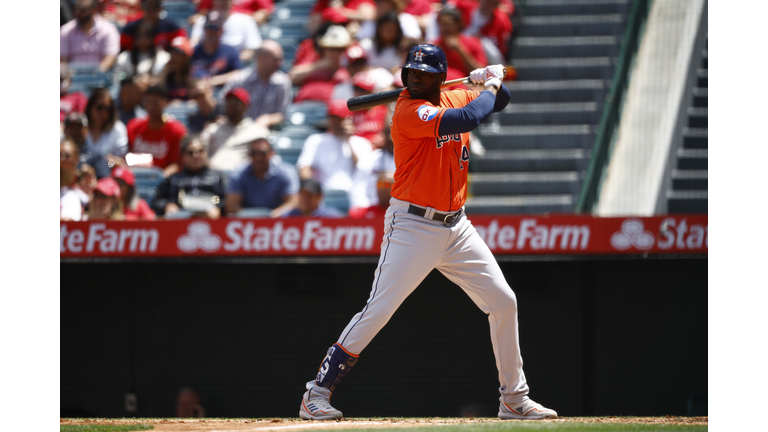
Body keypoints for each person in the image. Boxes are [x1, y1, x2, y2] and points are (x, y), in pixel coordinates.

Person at [297, 44, 558, 421]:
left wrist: (485, 79)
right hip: (413, 226)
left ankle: (514, 398)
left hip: (457, 226)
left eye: (423, 73)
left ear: (439, 76)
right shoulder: (407, 110)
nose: (415, 78)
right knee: (379, 310)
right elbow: (468, 118)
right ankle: (316, 393)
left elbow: (500, 101)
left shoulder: (455, 92)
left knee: (503, 302)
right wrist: (489, 86)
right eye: (411, 73)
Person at [296, 100, 372, 196]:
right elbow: (304, 169)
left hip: (355, 195)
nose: (335, 122)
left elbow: (364, 171)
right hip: (324, 195)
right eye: (332, 118)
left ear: (349, 119)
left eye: (340, 118)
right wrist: (313, 191)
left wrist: (348, 140)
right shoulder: (315, 141)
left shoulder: (361, 143)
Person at [218, 40, 292, 128]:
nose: (280, 63)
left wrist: (269, 119)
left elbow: (283, 114)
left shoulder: (282, 82)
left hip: (267, 133)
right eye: (275, 59)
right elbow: (222, 104)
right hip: (237, 130)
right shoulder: (240, 79)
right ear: (261, 58)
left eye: (281, 59)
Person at [153, 136, 228, 219]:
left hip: (212, 220)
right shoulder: (173, 179)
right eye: (190, 153)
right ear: (183, 156)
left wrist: (219, 208)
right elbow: (157, 201)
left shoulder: (219, 177)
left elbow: (229, 199)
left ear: (206, 153)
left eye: (200, 151)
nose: (196, 155)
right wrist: (166, 206)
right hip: (181, 221)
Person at [225, 138, 299, 217]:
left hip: (278, 222)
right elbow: (232, 205)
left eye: (263, 153)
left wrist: (273, 215)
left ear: (271, 153)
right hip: (246, 222)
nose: (258, 157)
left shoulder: (285, 172)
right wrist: (247, 216)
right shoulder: (239, 173)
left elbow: (293, 202)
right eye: (253, 153)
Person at [200, 88, 270, 172]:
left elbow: (266, 156)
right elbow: (199, 151)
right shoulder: (213, 129)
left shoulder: (257, 130)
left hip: (242, 178)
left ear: (246, 107)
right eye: (229, 103)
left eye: (236, 103)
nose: (231, 106)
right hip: (213, 176)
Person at [126, 84, 188, 177]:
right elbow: (125, 156)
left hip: (162, 181)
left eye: (156, 102)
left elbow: (176, 165)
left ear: (165, 103)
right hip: (134, 177)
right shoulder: (133, 126)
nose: (151, 107)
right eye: (148, 102)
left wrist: (161, 178)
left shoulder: (177, 131)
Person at [290, 25, 352, 104]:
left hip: (333, 111)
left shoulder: (351, 65)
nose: (335, 53)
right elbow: (291, 77)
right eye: (331, 49)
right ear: (324, 49)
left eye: (339, 49)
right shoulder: (313, 60)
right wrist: (317, 66)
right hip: (304, 105)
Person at [190, 0, 263, 63]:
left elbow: (250, 51)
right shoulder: (202, 21)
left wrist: (230, 61)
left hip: (235, 67)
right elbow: (193, 45)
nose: (223, 1)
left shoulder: (247, 21)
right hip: (204, 65)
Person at [60, 0, 120, 72]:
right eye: (75, 8)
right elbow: (63, 60)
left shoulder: (108, 29)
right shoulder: (66, 30)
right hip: (72, 78)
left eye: (82, 9)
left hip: (99, 78)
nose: (77, 12)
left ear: (93, 10)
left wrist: (94, 74)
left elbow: (110, 57)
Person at [348, 127, 396, 218]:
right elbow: (358, 193)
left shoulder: (417, 159)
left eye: (386, 185)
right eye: (387, 133)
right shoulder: (369, 159)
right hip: (372, 210)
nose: (390, 137)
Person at [432, 8, 487, 84]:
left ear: (457, 24)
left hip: (469, 88)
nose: (444, 28)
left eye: (448, 24)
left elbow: (481, 73)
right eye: (441, 24)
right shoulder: (435, 46)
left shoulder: (473, 42)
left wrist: (460, 50)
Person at [190, 11, 243, 87]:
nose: (211, 31)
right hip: (197, 92)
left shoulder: (230, 51)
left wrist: (211, 81)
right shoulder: (193, 51)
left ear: (221, 30)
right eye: (209, 27)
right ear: (204, 28)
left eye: (215, 27)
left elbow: (237, 74)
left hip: (221, 92)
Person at [85, 88, 129, 168]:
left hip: (108, 175)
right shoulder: (80, 126)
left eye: (107, 108)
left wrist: (108, 162)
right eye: (99, 107)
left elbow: (122, 162)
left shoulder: (118, 129)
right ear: (90, 107)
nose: (103, 112)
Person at [120, 0, 188, 52]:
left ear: (160, 8)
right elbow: (122, 48)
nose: (150, 10)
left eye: (154, 7)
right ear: (141, 7)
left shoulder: (171, 26)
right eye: (147, 7)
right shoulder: (131, 27)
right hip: (135, 63)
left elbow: (182, 46)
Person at [64, 113, 112, 179]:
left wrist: (91, 176)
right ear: (65, 131)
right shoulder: (60, 155)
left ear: (86, 130)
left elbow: (105, 182)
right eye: (71, 128)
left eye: (78, 128)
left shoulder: (96, 157)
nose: (74, 132)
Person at [348, 71, 389, 148]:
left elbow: (389, 132)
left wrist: (383, 137)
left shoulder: (383, 110)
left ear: (372, 92)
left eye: (363, 90)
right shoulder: (349, 111)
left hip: (378, 150)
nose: (359, 93)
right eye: (356, 89)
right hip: (356, 150)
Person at [157, 36, 194, 101]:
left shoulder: (193, 75)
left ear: (185, 57)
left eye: (177, 53)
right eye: (172, 52)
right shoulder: (167, 74)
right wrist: (165, 72)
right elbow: (158, 93)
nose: (173, 56)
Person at [194, 0, 274, 26]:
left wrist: (257, 16)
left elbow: (265, 10)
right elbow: (203, 10)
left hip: (245, 26)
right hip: (218, 24)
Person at [61, 140, 85, 221]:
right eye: (59, 155)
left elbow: (68, 221)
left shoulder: (85, 180)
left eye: (67, 155)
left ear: (76, 158)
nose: (62, 159)